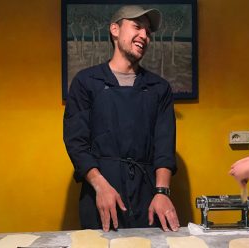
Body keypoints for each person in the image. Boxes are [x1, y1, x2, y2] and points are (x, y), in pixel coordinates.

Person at [63, 5, 179, 232]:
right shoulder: (86, 82)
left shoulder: (159, 88)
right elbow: (77, 143)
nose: (144, 36)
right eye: (137, 27)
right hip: (100, 192)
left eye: (148, 32)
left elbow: (165, 147)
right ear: (114, 30)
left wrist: (162, 192)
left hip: (148, 195)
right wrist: (100, 186)